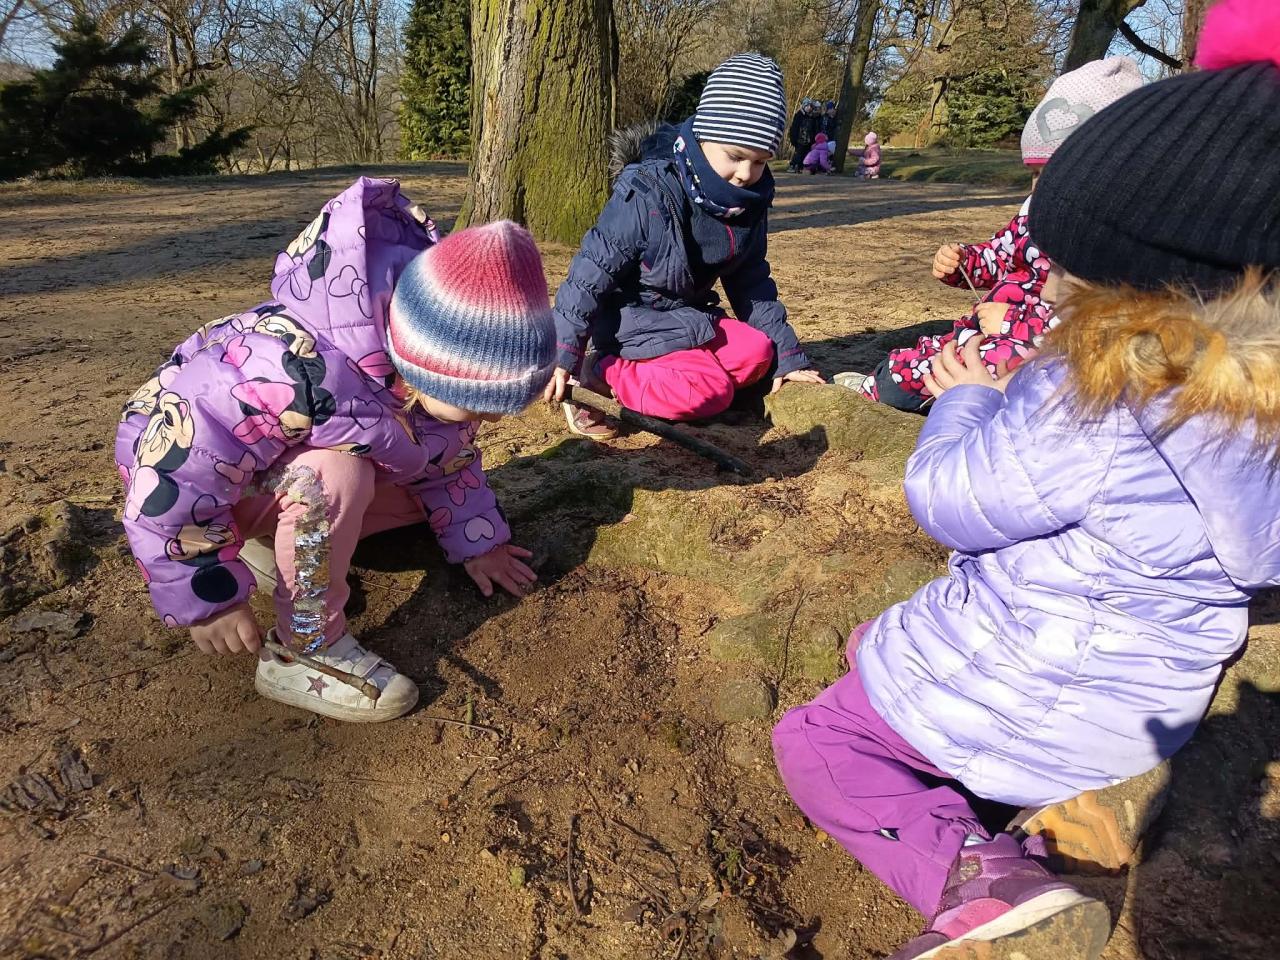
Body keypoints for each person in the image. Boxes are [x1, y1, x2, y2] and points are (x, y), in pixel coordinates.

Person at [773, 6, 1280, 956]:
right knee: (881, 648)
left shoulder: (1097, 390)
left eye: (1071, 277)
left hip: (1039, 688)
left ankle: (981, 886)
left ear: (1141, 286)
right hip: (1146, 712)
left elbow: (951, 504)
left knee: (817, 743)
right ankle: (1061, 816)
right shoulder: (1259, 409)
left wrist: (967, 401)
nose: (1045, 290)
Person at [116, 178, 555, 723]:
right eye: (480, 404)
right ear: (429, 364)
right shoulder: (284, 371)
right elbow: (175, 476)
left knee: (399, 473)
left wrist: (477, 543)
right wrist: (206, 590)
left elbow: (448, 461)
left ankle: (281, 547)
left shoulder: (413, 374)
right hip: (203, 488)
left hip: (265, 477)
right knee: (334, 478)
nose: (491, 420)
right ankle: (305, 648)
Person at [836, 58, 1143, 411]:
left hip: (1040, 349)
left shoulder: (1113, 244)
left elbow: (1095, 325)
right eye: (1034, 174)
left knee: (981, 365)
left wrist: (1011, 323)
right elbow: (999, 254)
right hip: (990, 328)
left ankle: (923, 395)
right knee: (932, 353)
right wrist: (963, 261)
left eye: (1054, 176)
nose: (1040, 189)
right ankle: (884, 382)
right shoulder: (1033, 215)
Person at [545, 53, 823, 438]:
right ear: (704, 137)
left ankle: (676, 375)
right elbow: (589, 275)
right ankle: (600, 372)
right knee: (708, 392)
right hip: (630, 324)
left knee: (759, 353)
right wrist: (565, 351)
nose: (745, 174)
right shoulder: (647, 192)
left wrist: (789, 358)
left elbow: (752, 283)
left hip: (688, 318)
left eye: (760, 162)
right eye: (735, 156)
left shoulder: (749, 203)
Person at [787, 98, 821, 173]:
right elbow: (794, 128)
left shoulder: (811, 116)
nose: (809, 108)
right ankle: (792, 166)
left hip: (808, 140)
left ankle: (801, 167)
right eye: (807, 106)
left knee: (806, 154)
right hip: (799, 140)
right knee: (798, 154)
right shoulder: (799, 115)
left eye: (810, 106)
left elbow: (814, 128)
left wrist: (813, 139)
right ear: (803, 106)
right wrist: (793, 139)